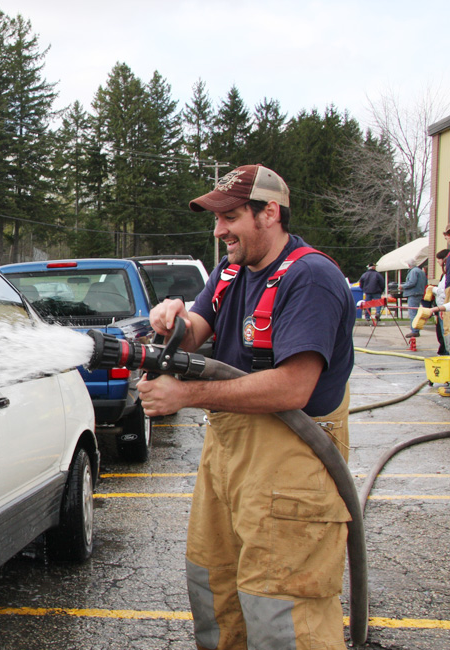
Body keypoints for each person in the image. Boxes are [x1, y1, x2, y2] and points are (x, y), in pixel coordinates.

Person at [138, 164, 354, 650]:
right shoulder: (231, 270)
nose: (219, 231)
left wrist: (187, 395)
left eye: (230, 216)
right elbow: (196, 331)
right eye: (217, 219)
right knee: (214, 584)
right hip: (229, 453)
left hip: (292, 461)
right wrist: (171, 318)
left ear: (270, 213)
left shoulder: (311, 278)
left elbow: (293, 389)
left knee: (284, 607)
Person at [401, 258, 428, 337]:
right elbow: (426, 282)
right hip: (420, 292)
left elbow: (412, 282)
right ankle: (416, 329)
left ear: (409, 265)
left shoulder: (413, 271)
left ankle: (414, 330)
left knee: (412, 313)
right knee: (416, 312)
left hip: (413, 293)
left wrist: (402, 286)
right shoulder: (421, 271)